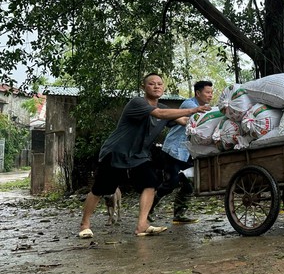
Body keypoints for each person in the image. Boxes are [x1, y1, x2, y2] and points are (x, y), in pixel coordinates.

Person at [78, 73, 211, 238]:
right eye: (151, 84)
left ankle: (142, 225)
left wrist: (212, 119)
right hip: (117, 151)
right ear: (143, 87)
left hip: (139, 155)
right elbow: (160, 115)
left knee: (150, 183)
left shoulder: (162, 107)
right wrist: (194, 109)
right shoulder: (137, 103)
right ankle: (85, 224)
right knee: (101, 189)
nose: (156, 86)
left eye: (159, 84)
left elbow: (182, 120)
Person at [149, 80, 214, 224]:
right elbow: (203, 118)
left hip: (187, 152)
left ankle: (179, 215)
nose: (210, 95)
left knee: (188, 184)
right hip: (174, 150)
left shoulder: (205, 107)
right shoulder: (189, 105)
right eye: (207, 92)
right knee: (171, 183)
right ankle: (148, 209)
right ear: (198, 93)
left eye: (211, 92)